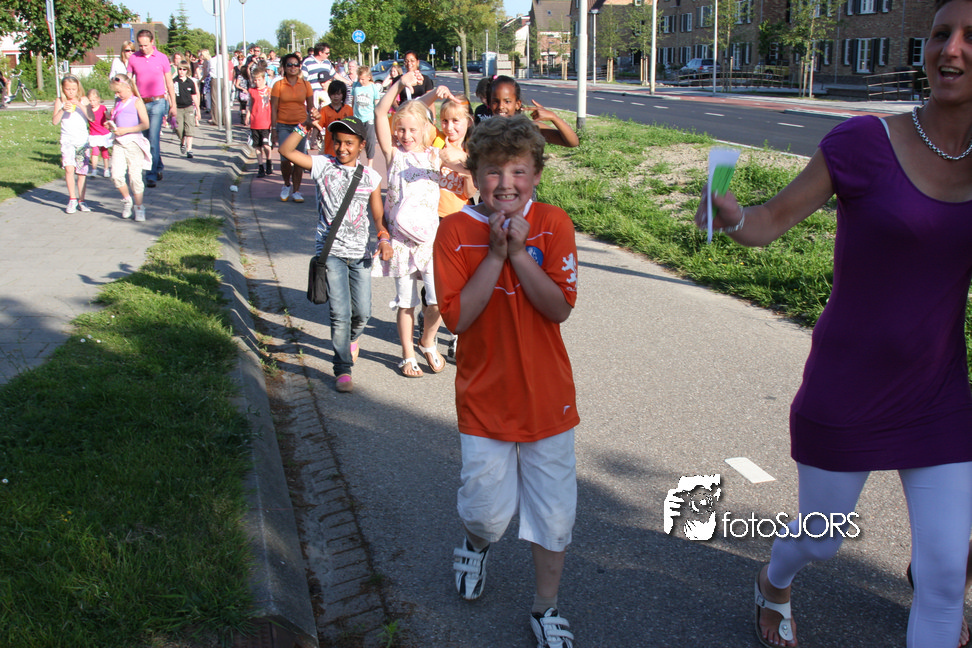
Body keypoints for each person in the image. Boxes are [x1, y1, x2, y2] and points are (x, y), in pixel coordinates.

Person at [695, 0, 972, 645]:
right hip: (848, 388)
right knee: (821, 540)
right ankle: (774, 580)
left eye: (971, 37)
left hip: (938, 396)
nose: (953, 49)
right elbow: (769, 221)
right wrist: (731, 214)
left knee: (942, 578)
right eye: (941, 34)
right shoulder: (864, 143)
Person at [432, 114, 579, 648]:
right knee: (487, 515)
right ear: (474, 175)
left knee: (554, 515)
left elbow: (559, 308)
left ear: (536, 174)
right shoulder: (454, 231)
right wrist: (496, 254)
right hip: (484, 400)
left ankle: (545, 607)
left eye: (518, 170)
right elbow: (457, 319)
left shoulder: (554, 224)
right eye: (493, 171)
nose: (506, 183)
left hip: (548, 399)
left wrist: (519, 252)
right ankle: (476, 543)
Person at [278, 116, 384, 394]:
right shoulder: (323, 165)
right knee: (340, 312)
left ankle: (351, 339)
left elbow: (377, 214)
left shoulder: (371, 177)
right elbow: (286, 151)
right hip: (331, 252)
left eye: (349, 143)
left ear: (361, 145)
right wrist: (303, 126)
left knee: (362, 313)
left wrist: (383, 235)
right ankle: (342, 368)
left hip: (360, 254)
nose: (342, 148)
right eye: (337, 142)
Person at [372, 72, 460, 377]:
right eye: (401, 129)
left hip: (429, 243)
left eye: (412, 129)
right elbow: (380, 112)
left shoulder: (435, 155)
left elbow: (465, 165)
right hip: (400, 243)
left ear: (426, 129)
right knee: (406, 303)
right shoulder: (393, 155)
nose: (405, 135)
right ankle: (407, 354)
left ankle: (427, 341)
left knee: (437, 301)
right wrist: (398, 84)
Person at [127, 29, 176, 188]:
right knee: (146, 139)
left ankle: (151, 175)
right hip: (141, 103)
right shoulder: (134, 58)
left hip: (158, 102)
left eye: (146, 45)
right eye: (140, 45)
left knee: (153, 138)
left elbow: (169, 82)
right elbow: (128, 81)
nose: (143, 48)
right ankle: (158, 166)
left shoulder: (161, 58)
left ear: (152, 42)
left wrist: (173, 104)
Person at [106, 74, 151, 222]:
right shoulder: (118, 102)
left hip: (133, 142)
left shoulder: (136, 102)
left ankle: (139, 207)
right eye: (115, 92)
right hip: (119, 142)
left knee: (135, 177)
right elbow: (115, 119)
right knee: (116, 175)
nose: (117, 95)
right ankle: (127, 200)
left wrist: (126, 130)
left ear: (128, 87)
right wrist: (110, 123)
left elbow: (145, 124)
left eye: (119, 91)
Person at [271, 53, 314, 202]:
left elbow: (311, 107)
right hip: (283, 125)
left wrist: (311, 124)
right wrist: (273, 129)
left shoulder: (306, 85)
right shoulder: (278, 85)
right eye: (289, 64)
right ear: (284, 67)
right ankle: (286, 184)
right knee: (284, 158)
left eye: (296, 64)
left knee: (299, 159)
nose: (293, 67)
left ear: (300, 67)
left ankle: (296, 190)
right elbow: (273, 108)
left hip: (300, 126)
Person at [488, 76, 578, 147]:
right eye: (495, 102)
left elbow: (573, 142)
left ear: (517, 104)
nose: (501, 106)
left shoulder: (529, 128)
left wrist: (553, 117)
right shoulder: (486, 131)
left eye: (507, 101)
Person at [52, 75, 94, 213]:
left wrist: (81, 104)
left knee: (81, 172)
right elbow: (55, 121)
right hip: (67, 140)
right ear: (63, 89)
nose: (71, 92)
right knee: (69, 168)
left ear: (78, 89)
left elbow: (91, 118)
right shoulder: (60, 101)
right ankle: (72, 199)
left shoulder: (84, 99)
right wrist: (62, 109)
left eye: (73, 89)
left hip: (82, 140)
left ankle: (82, 200)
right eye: (68, 89)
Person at [351, 65, 381, 167]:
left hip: (369, 118)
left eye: (363, 79)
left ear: (369, 77)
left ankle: (370, 163)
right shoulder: (356, 86)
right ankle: (357, 160)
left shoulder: (373, 87)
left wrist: (377, 117)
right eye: (359, 79)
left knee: (370, 141)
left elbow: (376, 103)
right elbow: (353, 100)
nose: (360, 81)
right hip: (357, 117)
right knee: (357, 139)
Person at [314, 80, 352, 157]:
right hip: (329, 146)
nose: (336, 96)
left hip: (345, 147)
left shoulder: (348, 109)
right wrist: (314, 137)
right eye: (333, 94)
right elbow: (319, 125)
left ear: (343, 94)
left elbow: (352, 127)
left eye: (338, 94)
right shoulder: (325, 110)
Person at [247, 67, 273, 178]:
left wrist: (273, 122)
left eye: (259, 80)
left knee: (266, 145)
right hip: (255, 122)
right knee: (257, 146)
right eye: (255, 80)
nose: (257, 82)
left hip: (266, 122)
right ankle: (260, 166)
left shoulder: (269, 91)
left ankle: (269, 161)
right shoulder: (252, 91)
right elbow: (251, 104)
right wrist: (248, 115)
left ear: (264, 79)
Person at [173, 62, 199, 158]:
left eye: (184, 69)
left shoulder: (190, 82)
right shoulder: (174, 81)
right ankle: (182, 142)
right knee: (179, 129)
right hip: (178, 108)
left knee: (189, 128)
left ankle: (189, 149)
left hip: (188, 107)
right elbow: (170, 95)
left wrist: (198, 109)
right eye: (180, 69)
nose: (182, 71)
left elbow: (194, 95)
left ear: (187, 71)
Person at [86, 89, 112, 178]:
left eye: (94, 100)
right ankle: (94, 170)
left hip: (103, 133)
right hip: (94, 134)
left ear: (98, 99)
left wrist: (110, 116)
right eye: (90, 100)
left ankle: (106, 169)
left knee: (104, 152)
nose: (92, 102)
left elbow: (108, 115)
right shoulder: (88, 110)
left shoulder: (102, 108)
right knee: (95, 152)